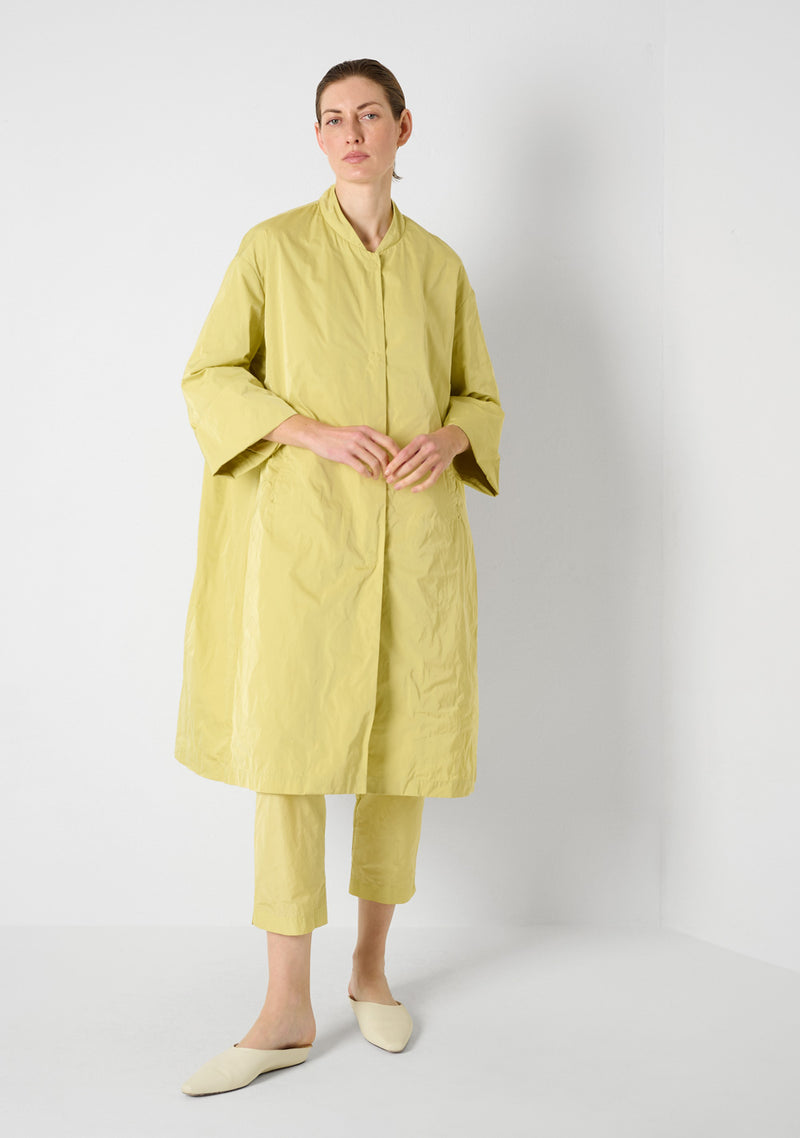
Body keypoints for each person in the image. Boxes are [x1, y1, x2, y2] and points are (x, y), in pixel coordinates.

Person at [177, 58, 504, 1096]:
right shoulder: (271, 249)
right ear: (317, 138)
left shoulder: (440, 268)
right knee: (289, 757)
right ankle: (285, 1003)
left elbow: (480, 398)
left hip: (416, 545)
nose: (351, 131)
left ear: (403, 127)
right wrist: (310, 431)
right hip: (304, 549)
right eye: (332, 118)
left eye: (368, 114)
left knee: (399, 759)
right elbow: (210, 375)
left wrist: (449, 438)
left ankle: (370, 970)